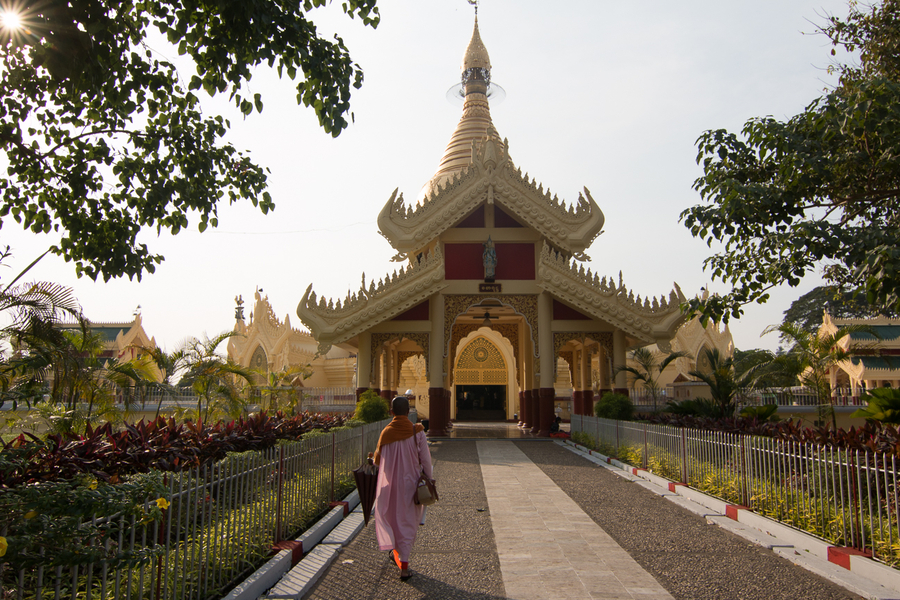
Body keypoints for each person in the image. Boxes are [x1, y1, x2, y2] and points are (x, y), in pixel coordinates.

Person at [371, 396, 434, 580]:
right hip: (411, 486)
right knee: (407, 523)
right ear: (408, 412)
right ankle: (403, 564)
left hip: (391, 487)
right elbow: (426, 461)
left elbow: (377, 462)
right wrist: (429, 480)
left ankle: (397, 554)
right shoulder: (418, 432)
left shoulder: (386, 434)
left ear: (391, 412)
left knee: (393, 520)